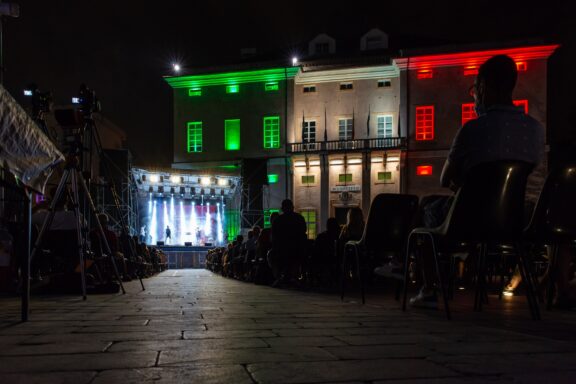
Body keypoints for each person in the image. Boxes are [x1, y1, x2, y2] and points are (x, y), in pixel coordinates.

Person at [410, 54, 545, 308]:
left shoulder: (472, 130)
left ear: (482, 87)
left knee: (426, 207)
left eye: (475, 89)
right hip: (514, 220)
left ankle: (427, 287)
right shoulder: (535, 130)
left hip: (469, 218)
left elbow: (444, 179)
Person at [269, 199, 307, 286]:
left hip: (282, 249)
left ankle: (279, 277)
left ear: (282, 209)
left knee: (271, 255)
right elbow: (303, 231)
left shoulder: (278, 220)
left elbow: (274, 237)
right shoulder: (299, 218)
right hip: (297, 249)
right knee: (296, 258)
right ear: (292, 208)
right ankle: (294, 276)